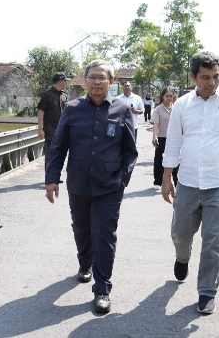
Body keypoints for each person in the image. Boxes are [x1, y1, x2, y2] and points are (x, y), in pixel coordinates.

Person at [161, 51, 219, 314]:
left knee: (214, 240)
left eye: (216, 77)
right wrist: (166, 179)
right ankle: (182, 257)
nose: (212, 82)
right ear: (193, 77)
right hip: (188, 182)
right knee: (180, 233)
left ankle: (206, 292)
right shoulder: (181, 105)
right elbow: (174, 144)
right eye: (205, 77)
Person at [45, 59, 138, 314]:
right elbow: (58, 146)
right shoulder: (72, 109)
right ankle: (84, 263)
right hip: (78, 182)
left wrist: (123, 179)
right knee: (82, 229)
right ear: (85, 81)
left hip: (110, 185)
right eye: (92, 77)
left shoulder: (122, 109)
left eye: (102, 78)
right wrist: (52, 179)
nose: (97, 82)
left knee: (105, 234)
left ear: (111, 82)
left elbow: (130, 151)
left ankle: (102, 288)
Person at [37, 72, 69, 175]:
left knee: (59, 154)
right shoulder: (47, 95)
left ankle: (55, 176)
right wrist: (40, 129)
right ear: (60, 82)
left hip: (62, 130)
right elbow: (41, 112)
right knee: (50, 154)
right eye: (65, 81)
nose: (66, 83)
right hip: (50, 129)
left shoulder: (64, 95)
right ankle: (49, 178)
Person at [150, 88, 178, 192]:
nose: (169, 98)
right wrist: (154, 136)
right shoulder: (158, 109)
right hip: (162, 137)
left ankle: (177, 181)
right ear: (163, 97)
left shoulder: (176, 108)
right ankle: (157, 181)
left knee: (176, 160)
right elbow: (156, 123)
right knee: (159, 159)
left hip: (175, 138)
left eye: (171, 96)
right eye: (167, 96)